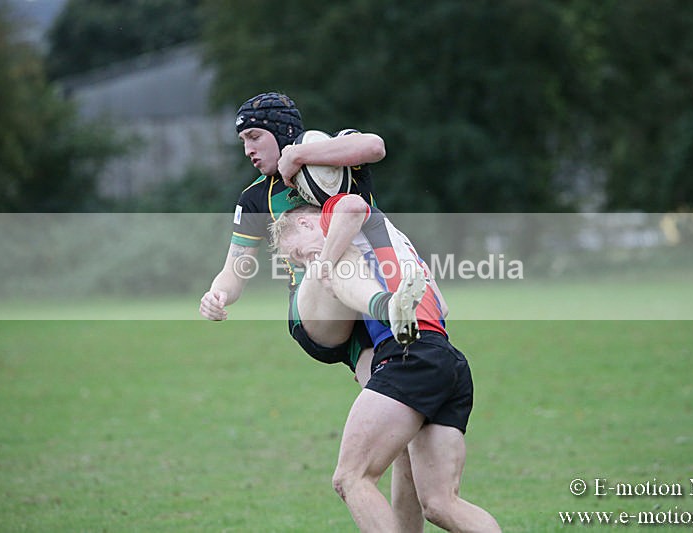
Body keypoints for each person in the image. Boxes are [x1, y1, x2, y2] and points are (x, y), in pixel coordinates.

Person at [198, 92, 425, 531]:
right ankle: (388, 303)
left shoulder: (338, 161)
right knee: (332, 258)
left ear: (283, 133)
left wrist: (300, 154)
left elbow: (375, 145)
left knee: (406, 446)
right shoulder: (255, 199)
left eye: (254, 136)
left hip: (368, 329)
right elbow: (234, 272)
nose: (248, 149)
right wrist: (217, 294)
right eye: (243, 139)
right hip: (317, 314)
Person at [271, 193, 502, 533]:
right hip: (446, 359)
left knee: (351, 478)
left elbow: (350, 206)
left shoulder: (334, 216)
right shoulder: (395, 243)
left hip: (408, 355)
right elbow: (443, 305)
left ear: (305, 222)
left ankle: (385, 307)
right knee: (441, 504)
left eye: (299, 253)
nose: (306, 262)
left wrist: (325, 262)